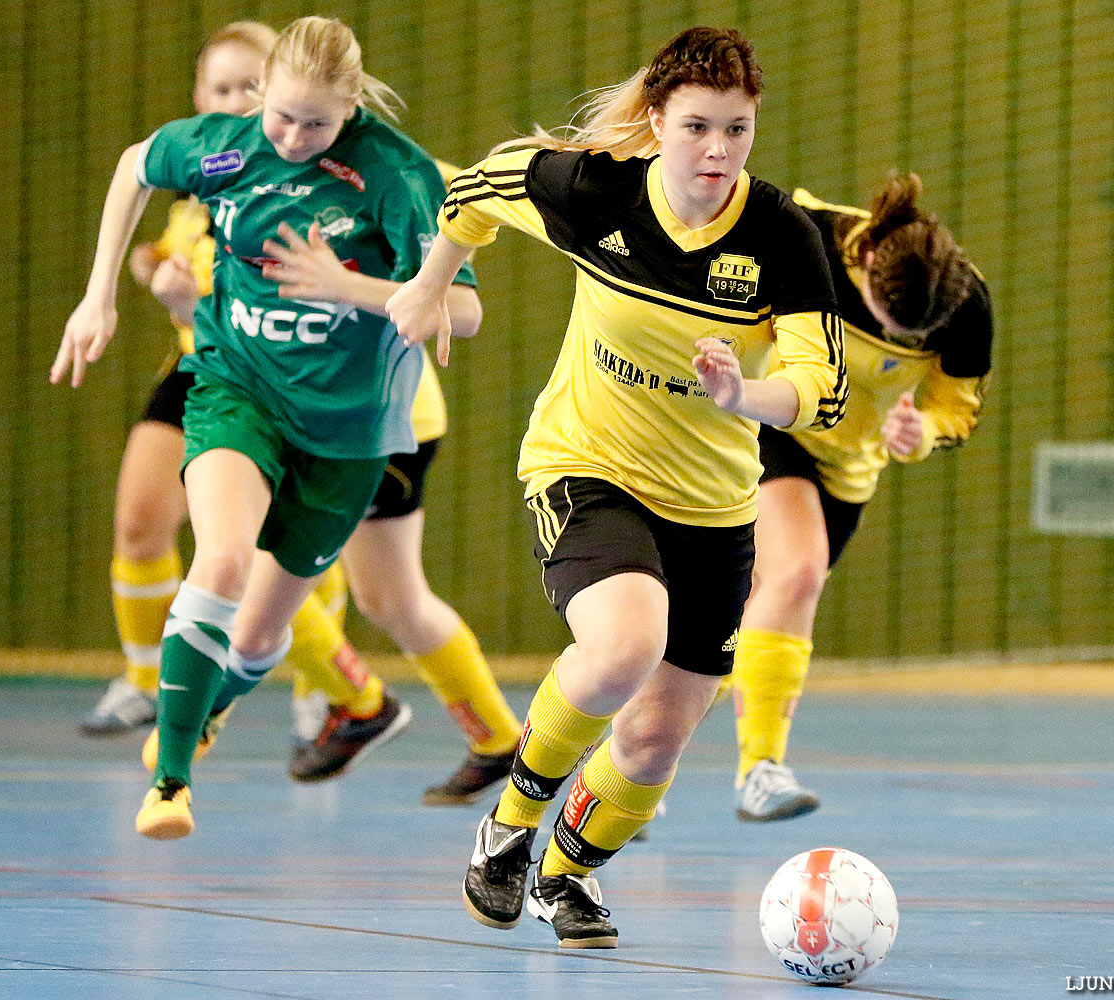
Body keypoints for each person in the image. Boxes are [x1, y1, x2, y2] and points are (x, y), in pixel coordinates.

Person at [387, 26, 847, 949]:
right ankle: (510, 825)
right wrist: (430, 284)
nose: (717, 151)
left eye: (738, 129)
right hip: (586, 466)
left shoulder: (780, 237)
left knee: (655, 738)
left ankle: (568, 874)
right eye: (696, 128)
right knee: (622, 647)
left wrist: (741, 393)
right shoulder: (592, 191)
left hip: (714, 507)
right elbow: (476, 187)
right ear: (656, 123)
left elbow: (820, 392)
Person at [52, 15, 471, 840]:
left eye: (314, 122)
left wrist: (343, 284)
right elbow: (136, 165)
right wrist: (98, 292)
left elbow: (464, 306)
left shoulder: (397, 177)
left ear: (350, 106)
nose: (290, 136)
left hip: (348, 433)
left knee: (260, 632)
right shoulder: (226, 148)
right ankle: (170, 783)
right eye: (279, 114)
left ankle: (209, 702)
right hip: (235, 386)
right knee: (224, 556)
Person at [728, 175, 993, 821]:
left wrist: (920, 430)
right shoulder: (805, 235)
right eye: (881, 313)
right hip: (771, 424)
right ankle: (760, 770)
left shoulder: (965, 305)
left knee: (727, 643)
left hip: (848, 472)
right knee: (797, 572)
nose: (890, 332)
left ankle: (627, 765)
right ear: (869, 256)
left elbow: (955, 407)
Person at [263, 205, 524, 795]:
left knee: (253, 576)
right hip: (305, 419)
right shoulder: (227, 188)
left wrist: (345, 285)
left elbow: (463, 266)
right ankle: (501, 741)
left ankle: (359, 705)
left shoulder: (377, 174)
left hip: (373, 420)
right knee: (389, 599)